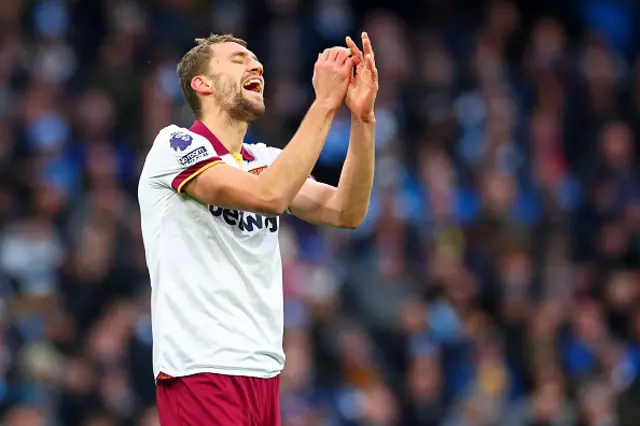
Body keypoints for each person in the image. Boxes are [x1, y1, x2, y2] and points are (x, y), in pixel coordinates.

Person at [137, 32, 378, 425]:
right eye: (237, 59)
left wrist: (363, 119)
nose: (256, 66)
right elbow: (268, 197)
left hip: (263, 374)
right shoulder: (174, 146)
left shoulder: (265, 159)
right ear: (204, 84)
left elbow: (346, 211)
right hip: (202, 369)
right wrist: (324, 103)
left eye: (255, 59)